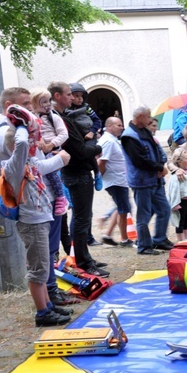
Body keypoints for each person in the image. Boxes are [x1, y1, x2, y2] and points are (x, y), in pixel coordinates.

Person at [2, 105, 72, 326]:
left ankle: (48, 306)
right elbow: (22, 142)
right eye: (32, 140)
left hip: (40, 220)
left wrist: (60, 158)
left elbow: (48, 164)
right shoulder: (14, 164)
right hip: (31, 223)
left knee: (43, 265)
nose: (34, 142)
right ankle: (42, 313)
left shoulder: (30, 163)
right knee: (38, 269)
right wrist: (23, 125)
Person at [49, 81, 108, 277]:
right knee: (82, 220)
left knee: (81, 219)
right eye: (68, 94)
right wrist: (98, 147)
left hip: (77, 172)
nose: (72, 98)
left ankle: (83, 257)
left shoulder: (64, 117)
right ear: (58, 96)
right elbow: (80, 151)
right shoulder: (61, 119)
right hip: (76, 173)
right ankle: (83, 261)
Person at [120, 106, 172, 255]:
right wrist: (158, 168)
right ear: (141, 116)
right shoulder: (129, 136)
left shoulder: (143, 131)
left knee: (164, 209)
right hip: (142, 182)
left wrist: (160, 165)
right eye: (148, 117)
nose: (150, 120)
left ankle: (159, 239)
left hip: (153, 179)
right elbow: (139, 160)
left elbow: (156, 150)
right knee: (143, 215)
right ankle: (144, 246)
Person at [30, 88, 69, 216]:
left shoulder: (54, 117)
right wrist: (39, 140)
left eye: (48, 101)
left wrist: (52, 144)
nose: (47, 104)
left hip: (53, 150)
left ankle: (61, 197)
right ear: (34, 103)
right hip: (39, 151)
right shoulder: (32, 118)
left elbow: (64, 134)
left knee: (52, 173)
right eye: (43, 101)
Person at [97, 117, 134, 247]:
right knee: (124, 209)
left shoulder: (111, 140)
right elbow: (102, 161)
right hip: (115, 180)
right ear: (109, 126)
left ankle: (108, 234)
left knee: (121, 207)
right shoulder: (108, 141)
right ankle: (125, 239)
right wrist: (100, 178)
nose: (121, 127)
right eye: (119, 125)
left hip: (118, 179)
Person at [68, 83, 103, 191]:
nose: (80, 99)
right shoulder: (66, 111)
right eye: (76, 95)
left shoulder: (86, 108)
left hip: (89, 136)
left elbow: (97, 121)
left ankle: (97, 173)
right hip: (77, 137)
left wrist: (92, 132)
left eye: (81, 96)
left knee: (89, 152)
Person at [166, 148, 187, 242]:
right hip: (182, 201)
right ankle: (181, 241)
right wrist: (175, 203)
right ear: (180, 162)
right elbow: (173, 190)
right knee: (180, 221)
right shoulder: (176, 175)